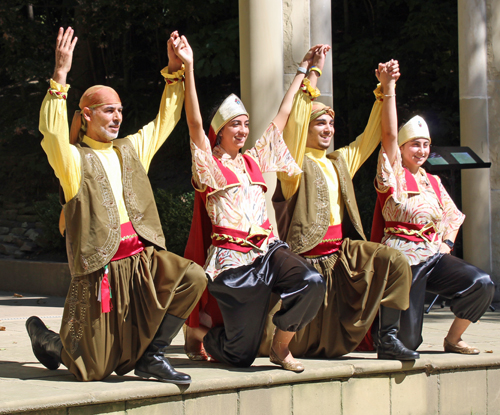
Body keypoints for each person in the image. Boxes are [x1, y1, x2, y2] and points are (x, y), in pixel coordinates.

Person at [25, 27, 207, 383]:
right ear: (88, 114)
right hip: (101, 271)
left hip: (142, 261)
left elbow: (165, 121)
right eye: (109, 110)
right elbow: (52, 137)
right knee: (91, 370)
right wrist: (60, 77)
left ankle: (153, 355)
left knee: (193, 277)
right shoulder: (73, 161)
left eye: (120, 111)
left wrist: (175, 71)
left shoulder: (131, 148)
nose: (117, 117)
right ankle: (49, 342)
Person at [174, 36, 327, 372]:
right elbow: (194, 124)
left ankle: (281, 347)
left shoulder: (254, 159)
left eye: (245, 123)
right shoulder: (210, 165)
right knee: (239, 356)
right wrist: (188, 68)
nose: (243, 130)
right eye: (235, 124)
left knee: (311, 283)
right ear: (219, 130)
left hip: (268, 250)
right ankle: (199, 330)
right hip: (232, 261)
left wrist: (305, 69)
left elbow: (283, 115)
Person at [263, 59, 419, 361]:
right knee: (307, 344)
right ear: (306, 127)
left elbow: (369, 138)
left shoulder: (339, 161)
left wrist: (386, 89)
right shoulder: (292, 167)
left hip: (342, 256)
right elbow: (292, 128)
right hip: (308, 264)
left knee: (395, 259)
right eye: (320, 122)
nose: (328, 129)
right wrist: (312, 76)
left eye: (331, 123)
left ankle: (387, 340)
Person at [372, 115, 495, 353]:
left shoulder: (434, 181)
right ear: (402, 147)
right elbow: (388, 138)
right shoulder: (392, 176)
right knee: (407, 343)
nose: (421, 150)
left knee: (482, 284)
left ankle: (453, 338)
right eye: (415, 144)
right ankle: (389, 338)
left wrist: (447, 242)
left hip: (433, 256)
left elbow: (454, 216)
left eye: (426, 144)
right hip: (403, 260)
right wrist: (388, 89)